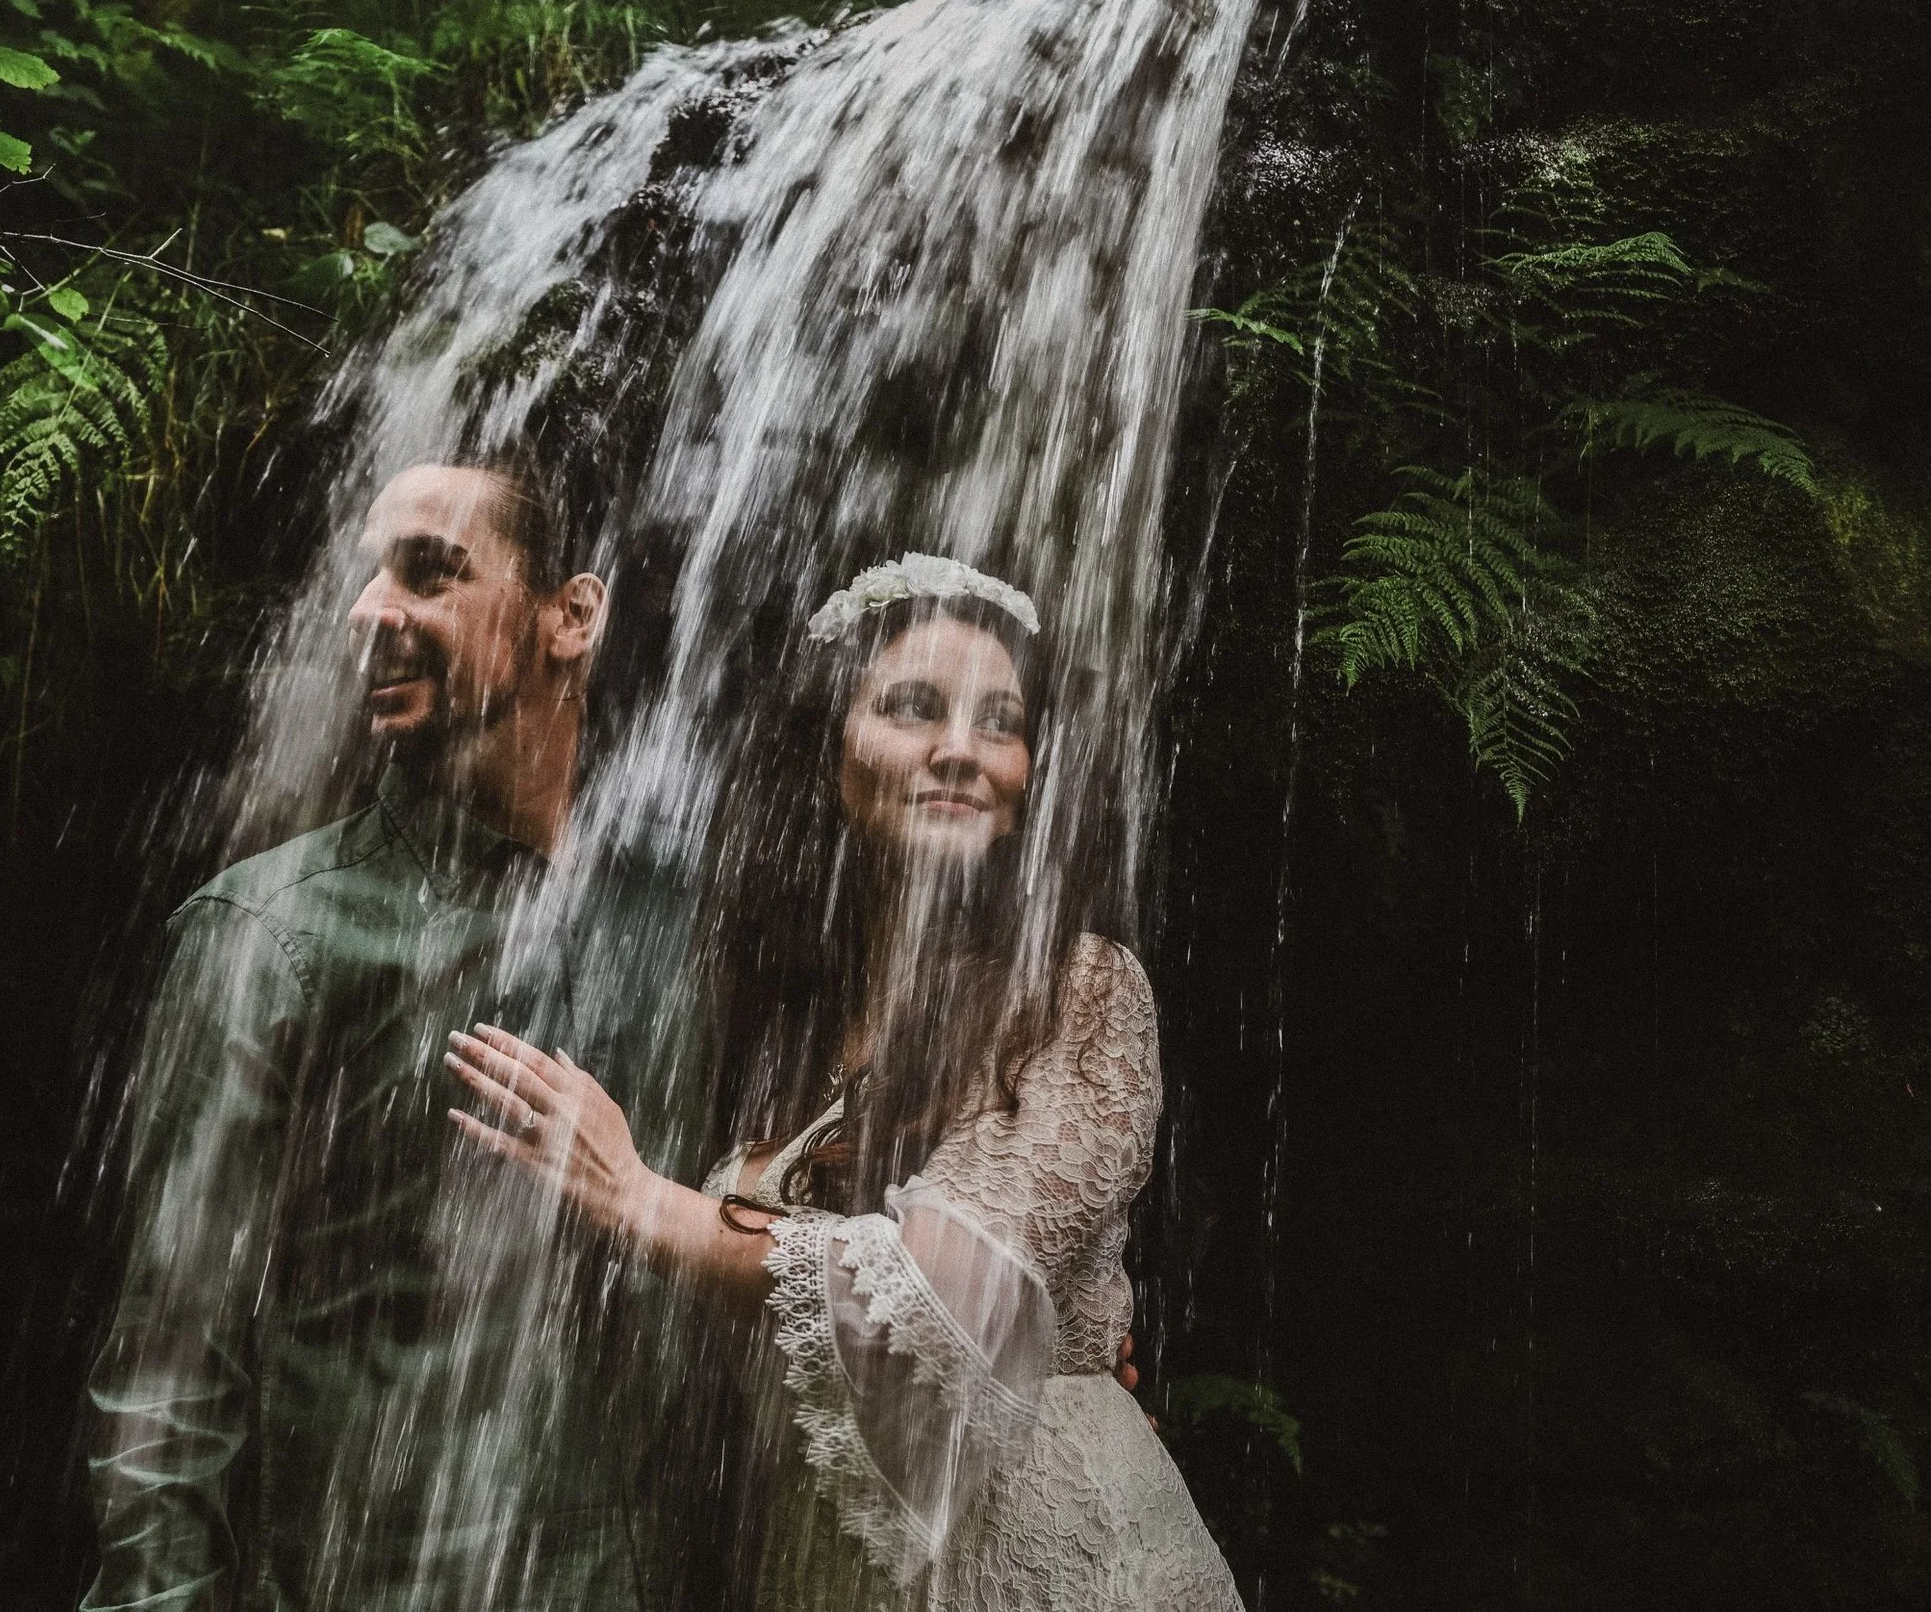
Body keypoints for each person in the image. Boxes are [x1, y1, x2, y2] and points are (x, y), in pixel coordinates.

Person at [446, 554, 1244, 1610]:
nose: (959, 751)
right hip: (823, 1566)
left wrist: (641, 1196)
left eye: (998, 723)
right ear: (828, 755)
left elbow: (948, 1297)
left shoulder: (1080, 987)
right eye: (914, 708)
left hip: (1054, 1564)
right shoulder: (784, 1019)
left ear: (1029, 780)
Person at [78, 452, 703, 1612]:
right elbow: (170, 1363)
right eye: (369, 575)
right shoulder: (268, 933)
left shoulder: (681, 920)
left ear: (571, 615)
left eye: (429, 572)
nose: (369, 611)